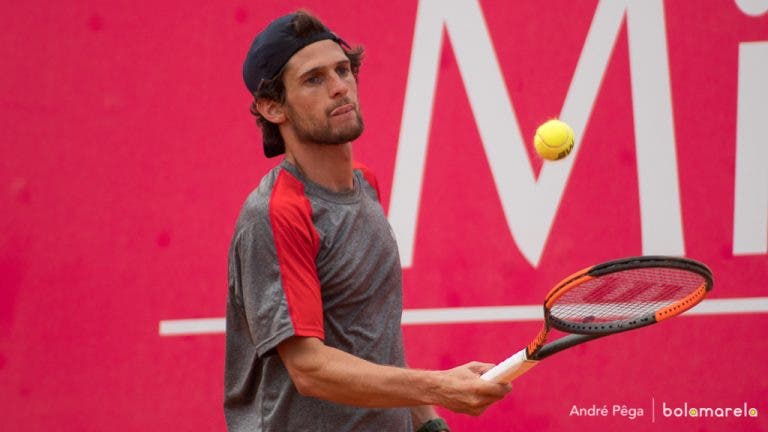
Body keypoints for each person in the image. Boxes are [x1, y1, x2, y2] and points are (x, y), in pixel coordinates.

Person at [225, 10, 511, 432]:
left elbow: (372, 339)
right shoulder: (276, 213)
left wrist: (427, 421)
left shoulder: (366, 187)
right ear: (272, 107)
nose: (340, 87)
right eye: (314, 79)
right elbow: (309, 368)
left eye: (343, 70)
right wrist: (437, 387)